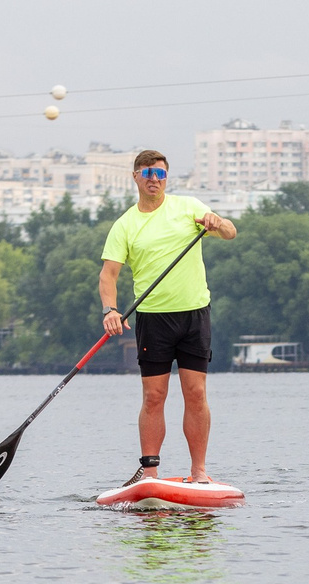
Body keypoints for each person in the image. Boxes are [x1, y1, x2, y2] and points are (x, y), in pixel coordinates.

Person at [99, 150, 237, 485]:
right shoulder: (125, 225)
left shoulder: (188, 207)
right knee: (154, 396)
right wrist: (110, 310)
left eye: (160, 174)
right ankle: (150, 472)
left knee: (195, 393)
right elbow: (109, 275)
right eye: (147, 173)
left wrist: (217, 223)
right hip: (153, 319)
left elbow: (230, 232)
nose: (153, 180)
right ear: (135, 176)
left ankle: (199, 472)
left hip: (194, 315)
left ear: (166, 178)